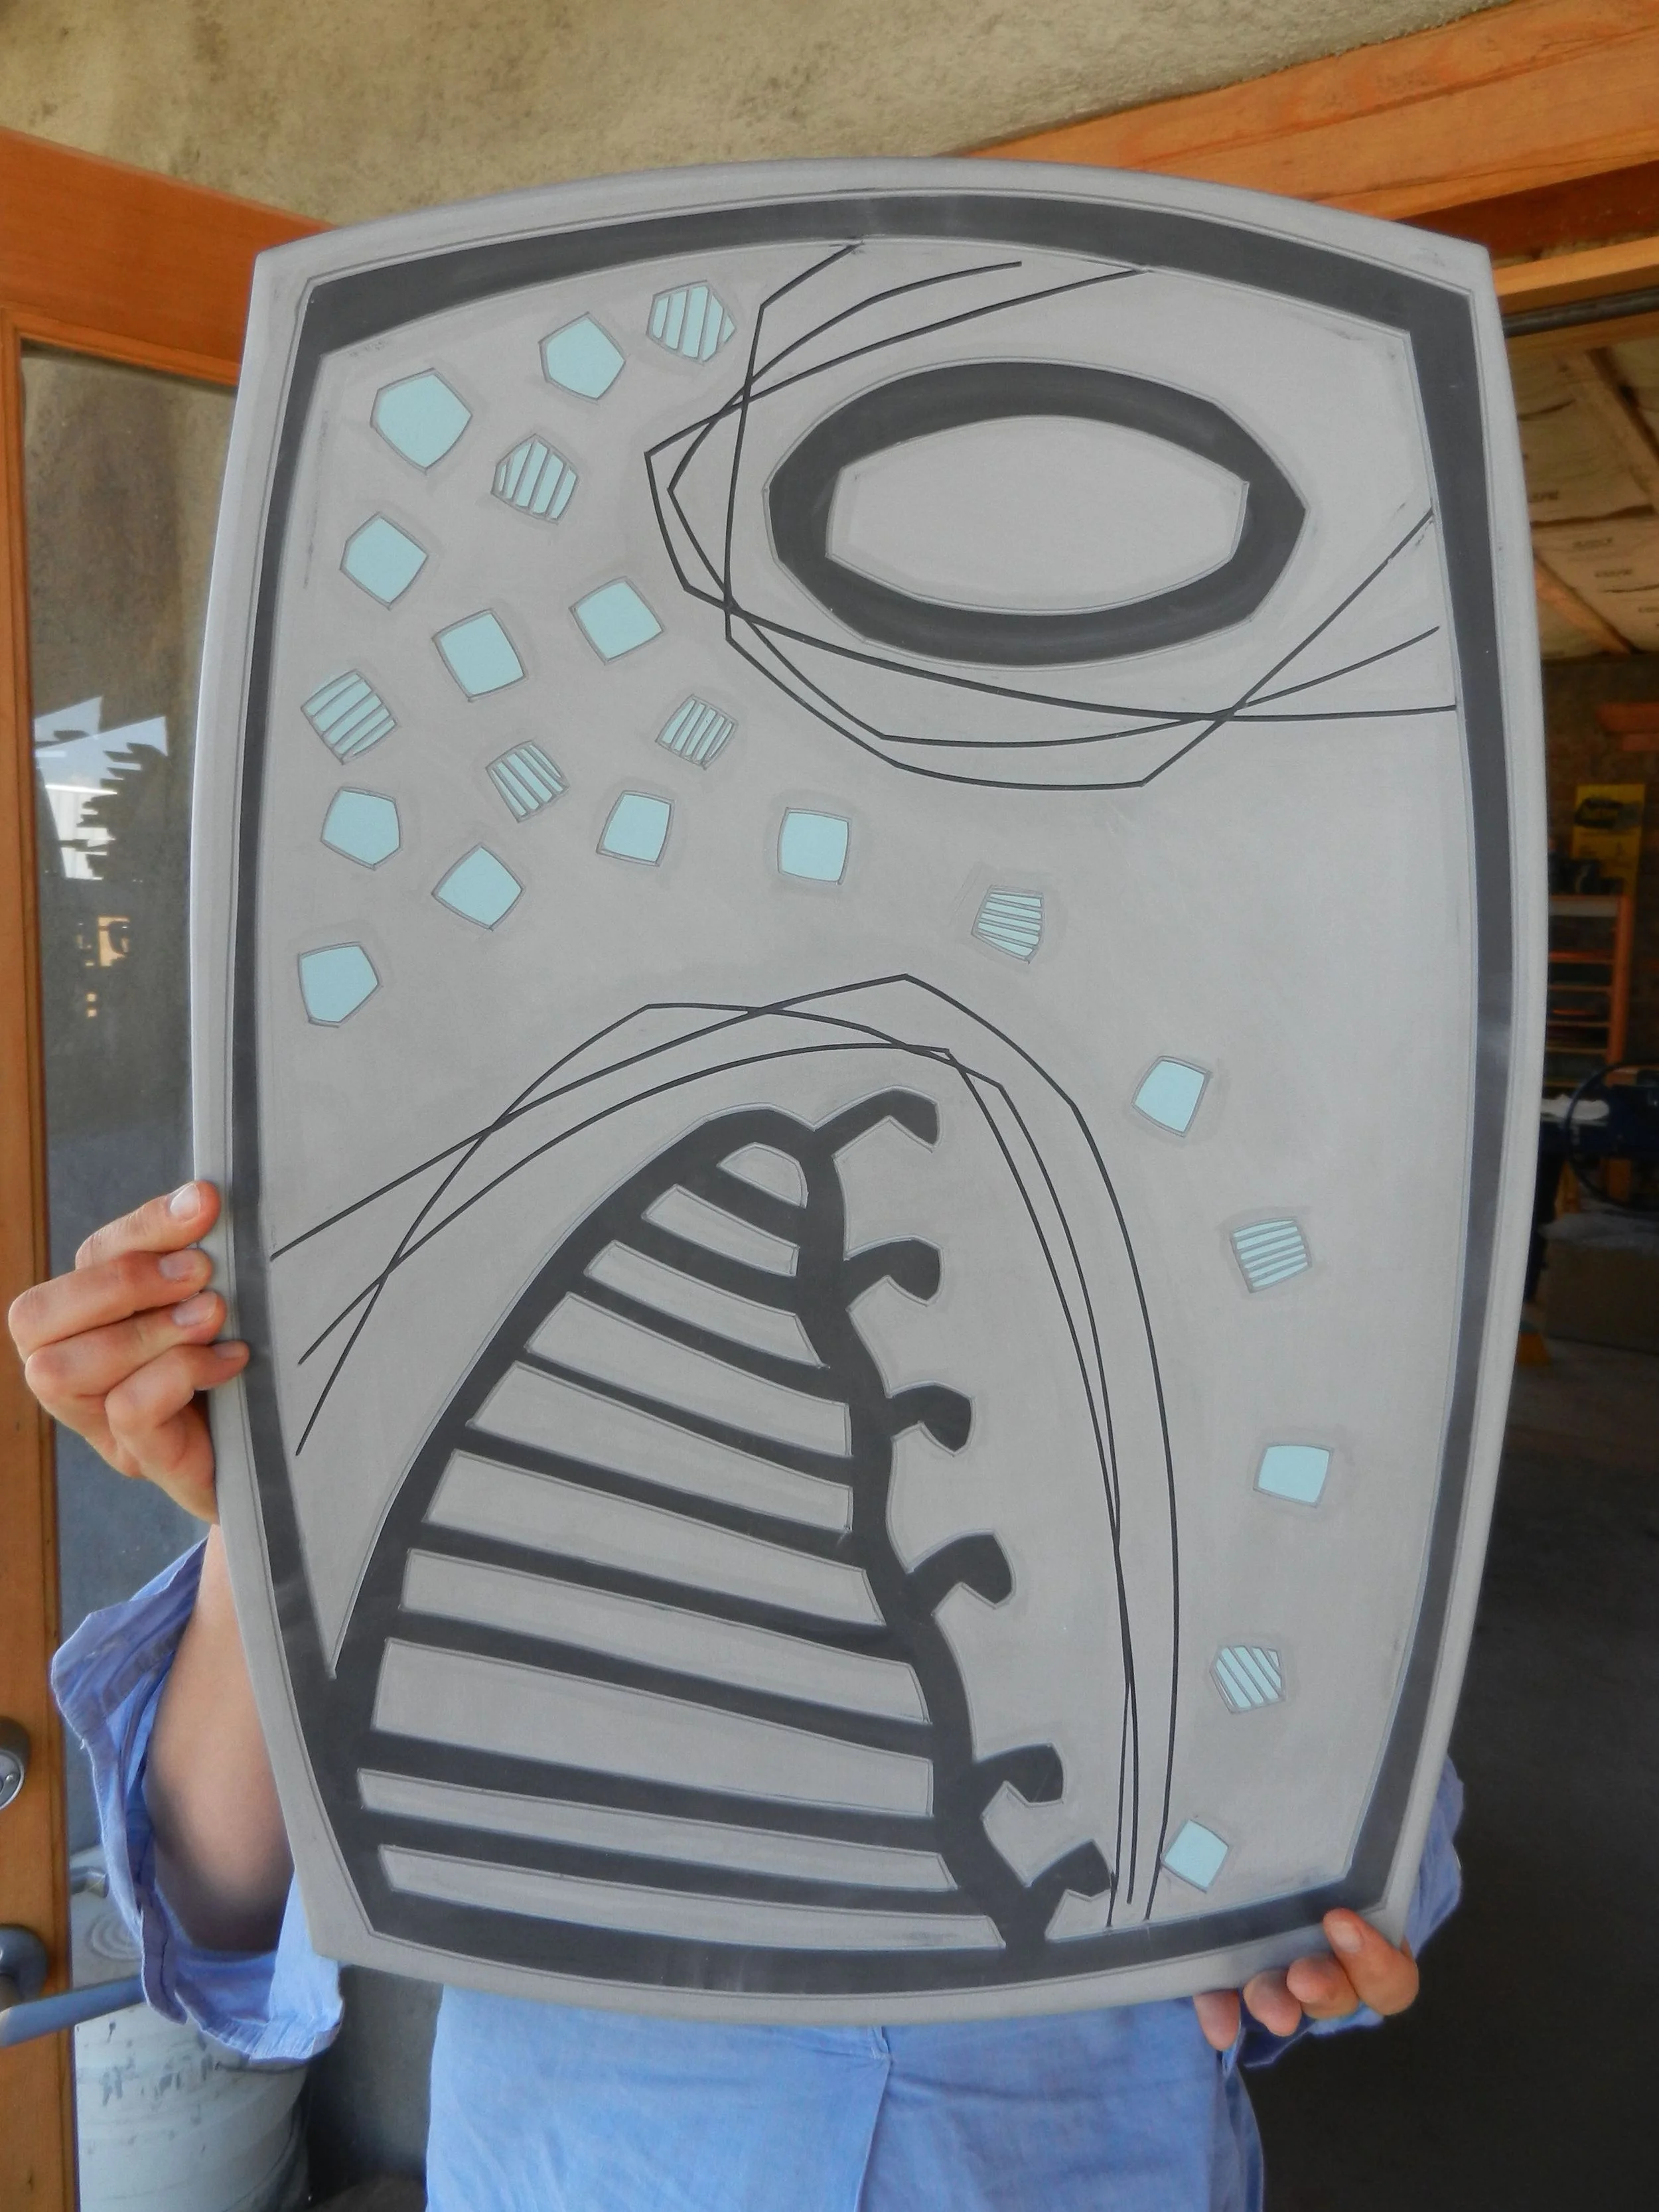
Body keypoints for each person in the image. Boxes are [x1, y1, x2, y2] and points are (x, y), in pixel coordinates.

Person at [10, 1180, 1461, 2212]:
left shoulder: (1201, 1295)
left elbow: (1365, 1852)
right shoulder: (504, 1265)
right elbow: (225, 1908)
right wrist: (265, 1519)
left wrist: (1317, 1936)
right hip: (588, 2167)